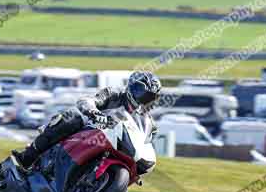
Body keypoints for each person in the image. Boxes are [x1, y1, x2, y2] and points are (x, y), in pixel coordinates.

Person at [12, 71, 162, 169]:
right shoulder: (114, 94)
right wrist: (94, 112)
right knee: (72, 116)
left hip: (112, 145)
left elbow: (147, 142)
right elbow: (88, 100)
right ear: (131, 87)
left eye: (148, 97)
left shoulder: (147, 122)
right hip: (88, 130)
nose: (142, 98)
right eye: (140, 92)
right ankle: (28, 156)